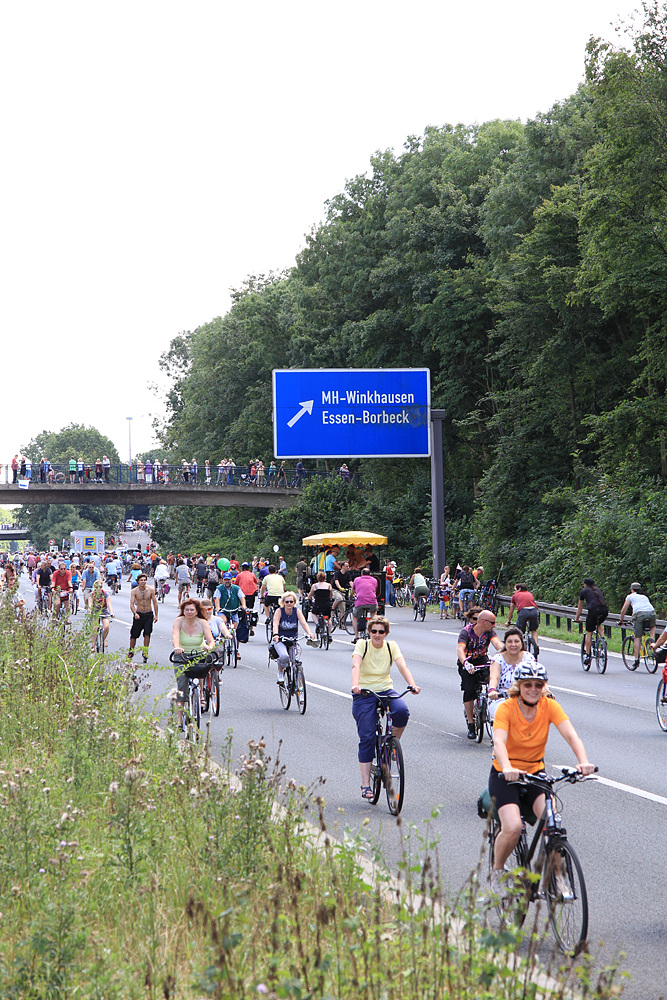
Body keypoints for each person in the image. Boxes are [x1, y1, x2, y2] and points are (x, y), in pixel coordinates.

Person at [488, 661, 595, 897]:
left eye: (538, 685)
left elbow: (570, 733)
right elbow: (499, 742)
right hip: (505, 776)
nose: (533, 689)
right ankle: (497, 871)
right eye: (528, 685)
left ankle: (558, 877)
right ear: (519, 686)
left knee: (553, 823)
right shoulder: (506, 708)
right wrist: (507, 767)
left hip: (536, 774)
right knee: (514, 826)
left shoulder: (549, 706)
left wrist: (583, 761)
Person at [351, 614, 420, 801]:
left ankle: (391, 746)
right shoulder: (362, 645)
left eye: (381, 632)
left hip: (385, 690)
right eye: (374, 631)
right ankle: (366, 785)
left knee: (402, 711)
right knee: (366, 737)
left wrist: (412, 684)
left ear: (386, 633)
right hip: (364, 693)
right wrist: (355, 685)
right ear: (369, 632)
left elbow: (402, 665)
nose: (377, 635)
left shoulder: (391, 646)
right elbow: (355, 665)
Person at [457, 608, 504, 739]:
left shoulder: (490, 632)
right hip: (468, 660)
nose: (494, 625)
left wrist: (505, 652)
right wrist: (466, 663)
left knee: (494, 680)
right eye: (492, 622)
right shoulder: (466, 632)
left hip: (482, 659)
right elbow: (460, 650)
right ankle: (471, 724)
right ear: (483, 621)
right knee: (470, 690)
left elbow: (497, 643)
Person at [171, 598, 216, 726]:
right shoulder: (178, 621)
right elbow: (175, 637)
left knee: (201, 673)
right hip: (182, 656)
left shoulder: (203, 622)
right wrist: (176, 648)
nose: (189, 612)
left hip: (198, 655)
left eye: (192, 610)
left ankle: (200, 695)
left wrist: (209, 646)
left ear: (197, 611)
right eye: (186, 610)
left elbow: (210, 640)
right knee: (182, 685)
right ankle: (179, 718)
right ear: (183, 611)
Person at [487, 627, 537, 719]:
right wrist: (492, 690)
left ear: (522, 643)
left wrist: (546, 690)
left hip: (524, 699)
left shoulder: (528, 658)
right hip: (501, 699)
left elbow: (537, 677)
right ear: (505, 644)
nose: (513, 644)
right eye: (509, 641)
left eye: (516, 641)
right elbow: (494, 677)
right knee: (505, 715)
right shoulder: (498, 659)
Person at [271, 592, 315, 684]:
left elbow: (303, 623)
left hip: (293, 640)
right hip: (281, 640)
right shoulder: (279, 611)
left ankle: (298, 681)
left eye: (291, 601)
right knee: (284, 657)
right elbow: (275, 623)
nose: (289, 604)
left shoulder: (296, 611)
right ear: (283, 602)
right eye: (287, 602)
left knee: (296, 659)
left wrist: (309, 633)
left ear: (294, 602)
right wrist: (275, 634)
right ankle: (280, 672)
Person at [619, 583, 657, 668]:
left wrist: (621, 620)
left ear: (631, 589)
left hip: (639, 615)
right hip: (651, 613)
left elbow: (623, 611)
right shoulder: (644, 596)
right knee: (652, 626)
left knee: (637, 637)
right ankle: (652, 640)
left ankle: (636, 660)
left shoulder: (630, 596)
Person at [574, 578, 608, 666]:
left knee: (589, 632)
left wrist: (577, 618)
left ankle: (588, 655)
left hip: (593, 610)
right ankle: (603, 639)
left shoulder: (584, 591)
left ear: (585, 584)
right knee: (598, 623)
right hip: (604, 610)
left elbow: (580, 607)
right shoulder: (597, 590)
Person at [128, 573, 159, 663]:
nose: (143, 582)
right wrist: (135, 613)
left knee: (147, 633)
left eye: (144, 580)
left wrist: (156, 615)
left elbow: (155, 602)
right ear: (138, 581)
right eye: (141, 580)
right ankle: (131, 651)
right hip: (139, 614)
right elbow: (131, 603)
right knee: (134, 635)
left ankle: (145, 652)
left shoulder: (150, 590)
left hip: (148, 614)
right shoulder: (134, 591)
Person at [506, 584, 540, 658]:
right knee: (533, 630)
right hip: (534, 611)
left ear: (519, 589)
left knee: (519, 631)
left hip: (524, 611)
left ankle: (521, 648)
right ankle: (536, 645)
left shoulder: (515, 596)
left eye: (515, 589)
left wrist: (509, 621)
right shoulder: (530, 594)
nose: (514, 591)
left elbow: (511, 611)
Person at [350, 567, 378, 642]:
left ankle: (356, 636)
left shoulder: (357, 580)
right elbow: (374, 589)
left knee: (355, 617)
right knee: (373, 615)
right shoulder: (374, 580)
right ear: (370, 574)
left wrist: (351, 596)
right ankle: (372, 630)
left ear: (361, 574)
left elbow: (353, 591)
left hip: (360, 602)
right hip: (372, 602)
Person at [90, 579, 114, 651]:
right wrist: (89, 611)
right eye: (97, 587)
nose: (98, 589)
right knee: (95, 627)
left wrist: (111, 613)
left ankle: (103, 639)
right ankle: (93, 646)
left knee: (106, 626)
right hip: (95, 612)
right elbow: (90, 604)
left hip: (104, 612)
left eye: (100, 587)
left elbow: (109, 604)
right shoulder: (92, 595)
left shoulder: (105, 594)